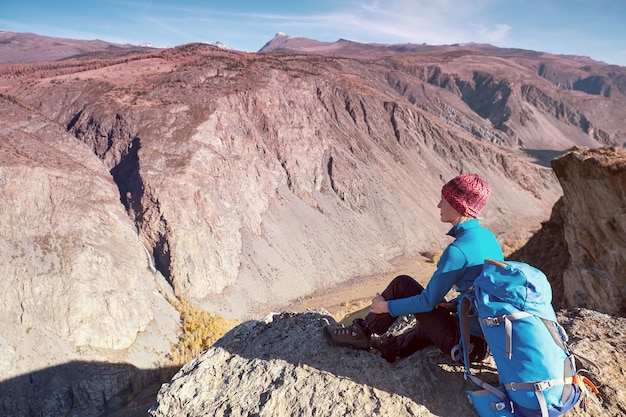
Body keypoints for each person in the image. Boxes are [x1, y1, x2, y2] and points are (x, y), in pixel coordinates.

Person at [323, 173, 504, 363]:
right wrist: (454, 304)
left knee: (403, 285)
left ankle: (360, 332)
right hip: (484, 344)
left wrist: (386, 307)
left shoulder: (458, 251)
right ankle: (391, 347)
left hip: (464, 343)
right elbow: (482, 289)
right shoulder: (488, 238)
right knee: (430, 321)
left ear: (459, 206)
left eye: (444, 200)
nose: (439, 206)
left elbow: (426, 302)